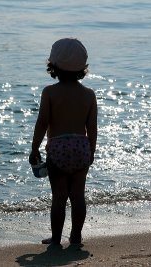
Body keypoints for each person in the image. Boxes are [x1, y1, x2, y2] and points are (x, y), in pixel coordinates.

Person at [29, 38, 97, 245]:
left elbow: (42, 123)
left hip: (58, 148)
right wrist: (91, 152)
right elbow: (92, 128)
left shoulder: (50, 92)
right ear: (82, 67)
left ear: (54, 65)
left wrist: (34, 148)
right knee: (78, 195)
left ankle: (57, 238)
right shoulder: (88, 95)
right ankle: (76, 236)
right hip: (81, 148)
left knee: (59, 197)